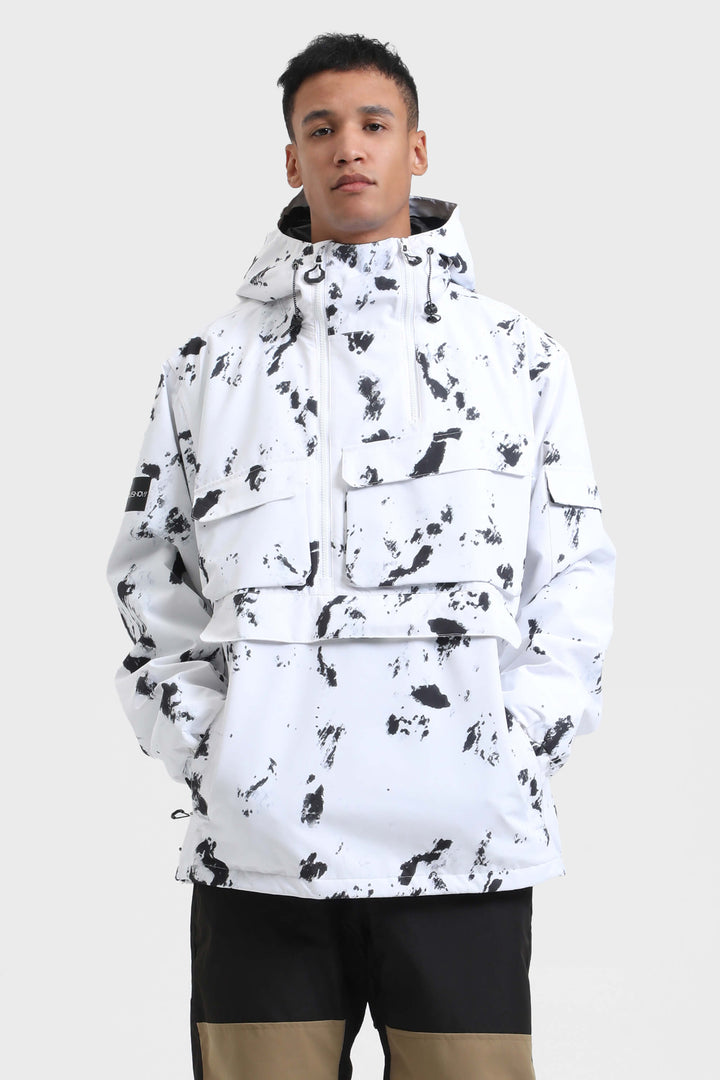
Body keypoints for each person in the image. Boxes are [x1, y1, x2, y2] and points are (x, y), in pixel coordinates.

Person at [107, 32, 615, 1080]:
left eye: (374, 124)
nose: (349, 147)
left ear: (416, 148)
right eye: (321, 128)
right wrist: (217, 754)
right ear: (291, 159)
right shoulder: (209, 366)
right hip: (260, 855)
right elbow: (150, 574)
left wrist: (512, 747)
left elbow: (571, 572)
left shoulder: (517, 356)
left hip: (465, 845)